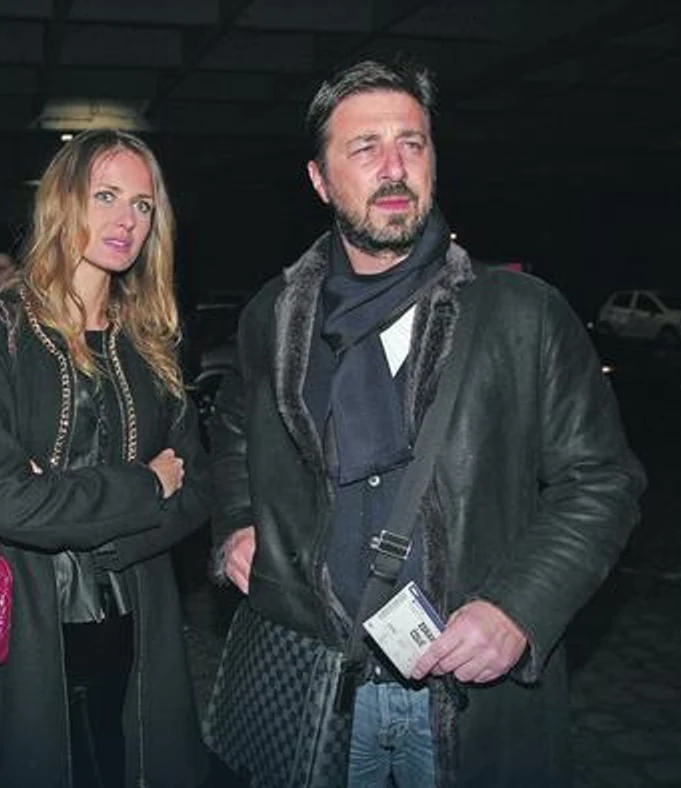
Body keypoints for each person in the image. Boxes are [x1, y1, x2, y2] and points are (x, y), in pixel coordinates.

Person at [208, 58, 646, 788]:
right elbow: (232, 429)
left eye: (412, 143)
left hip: (464, 700)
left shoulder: (522, 315)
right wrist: (237, 523)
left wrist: (520, 608)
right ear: (319, 180)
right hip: (319, 688)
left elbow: (601, 481)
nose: (394, 168)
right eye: (365, 148)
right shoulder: (274, 318)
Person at [0, 129, 213, 788]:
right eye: (106, 196)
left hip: (136, 613)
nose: (127, 220)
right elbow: (12, 503)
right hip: (26, 621)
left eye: (143, 205)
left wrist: (89, 521)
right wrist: (147, 485)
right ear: (63, 201)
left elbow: (199, 487)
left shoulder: (153, 338)